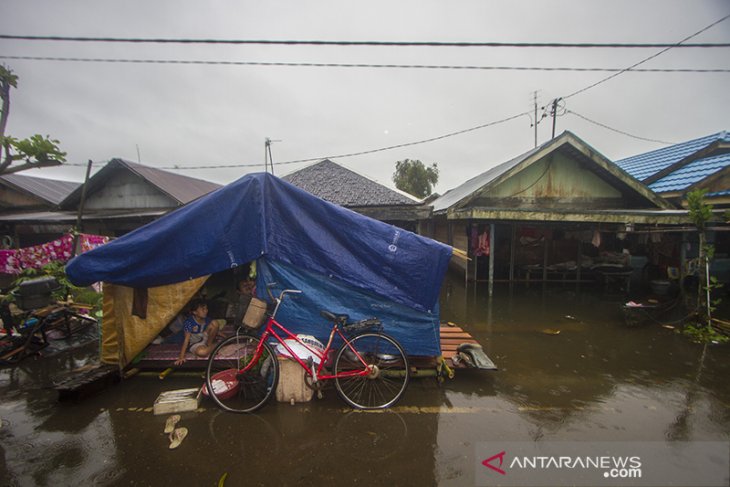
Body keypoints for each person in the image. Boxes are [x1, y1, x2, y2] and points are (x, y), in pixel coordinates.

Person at [175, 298, 221, 365]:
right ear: (195, 312)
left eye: (206, 309)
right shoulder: (189, 322)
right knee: (202, 352)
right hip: (195, 343)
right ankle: (218, 345)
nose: (206, 311)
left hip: (205, 339)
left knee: (215, 323)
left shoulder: (206, 319)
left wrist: (227, 337)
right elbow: (186, 340)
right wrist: (181, 357)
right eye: (203, 309)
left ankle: (210, 345)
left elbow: (215, 330)